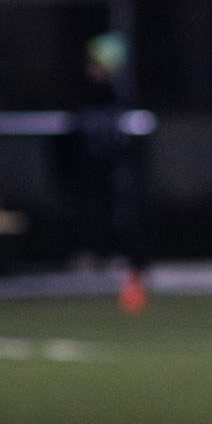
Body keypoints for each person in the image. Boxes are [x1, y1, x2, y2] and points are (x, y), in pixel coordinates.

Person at [59, 30, 150, 313]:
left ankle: (125, 262)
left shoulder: (124, 93)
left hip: (116, 169)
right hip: (89, 169)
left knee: (122, 214)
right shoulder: (82, 93)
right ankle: (92, 254)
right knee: (89, 210)